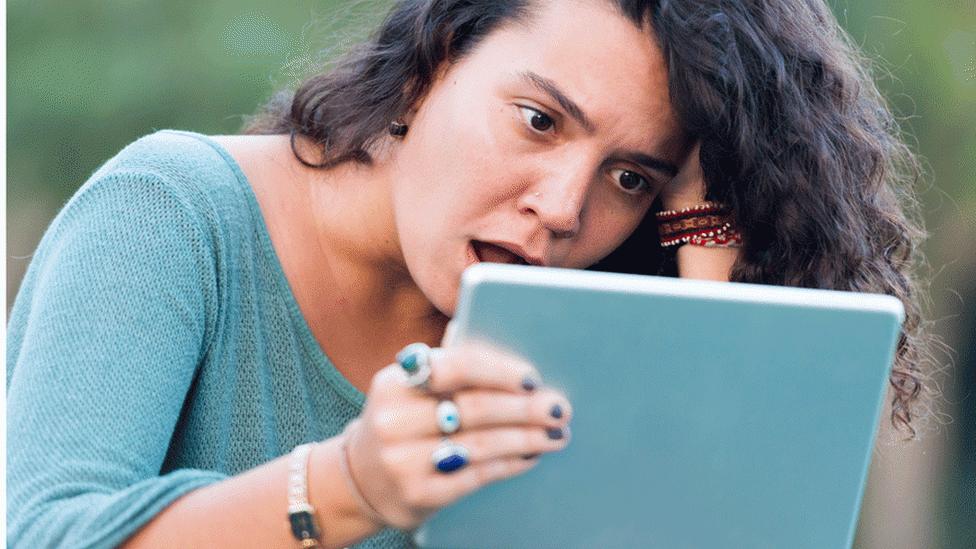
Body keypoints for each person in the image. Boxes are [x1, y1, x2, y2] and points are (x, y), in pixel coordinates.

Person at [6, 0, 931, 547]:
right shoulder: (171, 210)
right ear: (433, 63)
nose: (566, 207)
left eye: (631, 176)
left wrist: (700, 290)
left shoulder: (583, 325)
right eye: (539, 120)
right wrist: (348, 484)